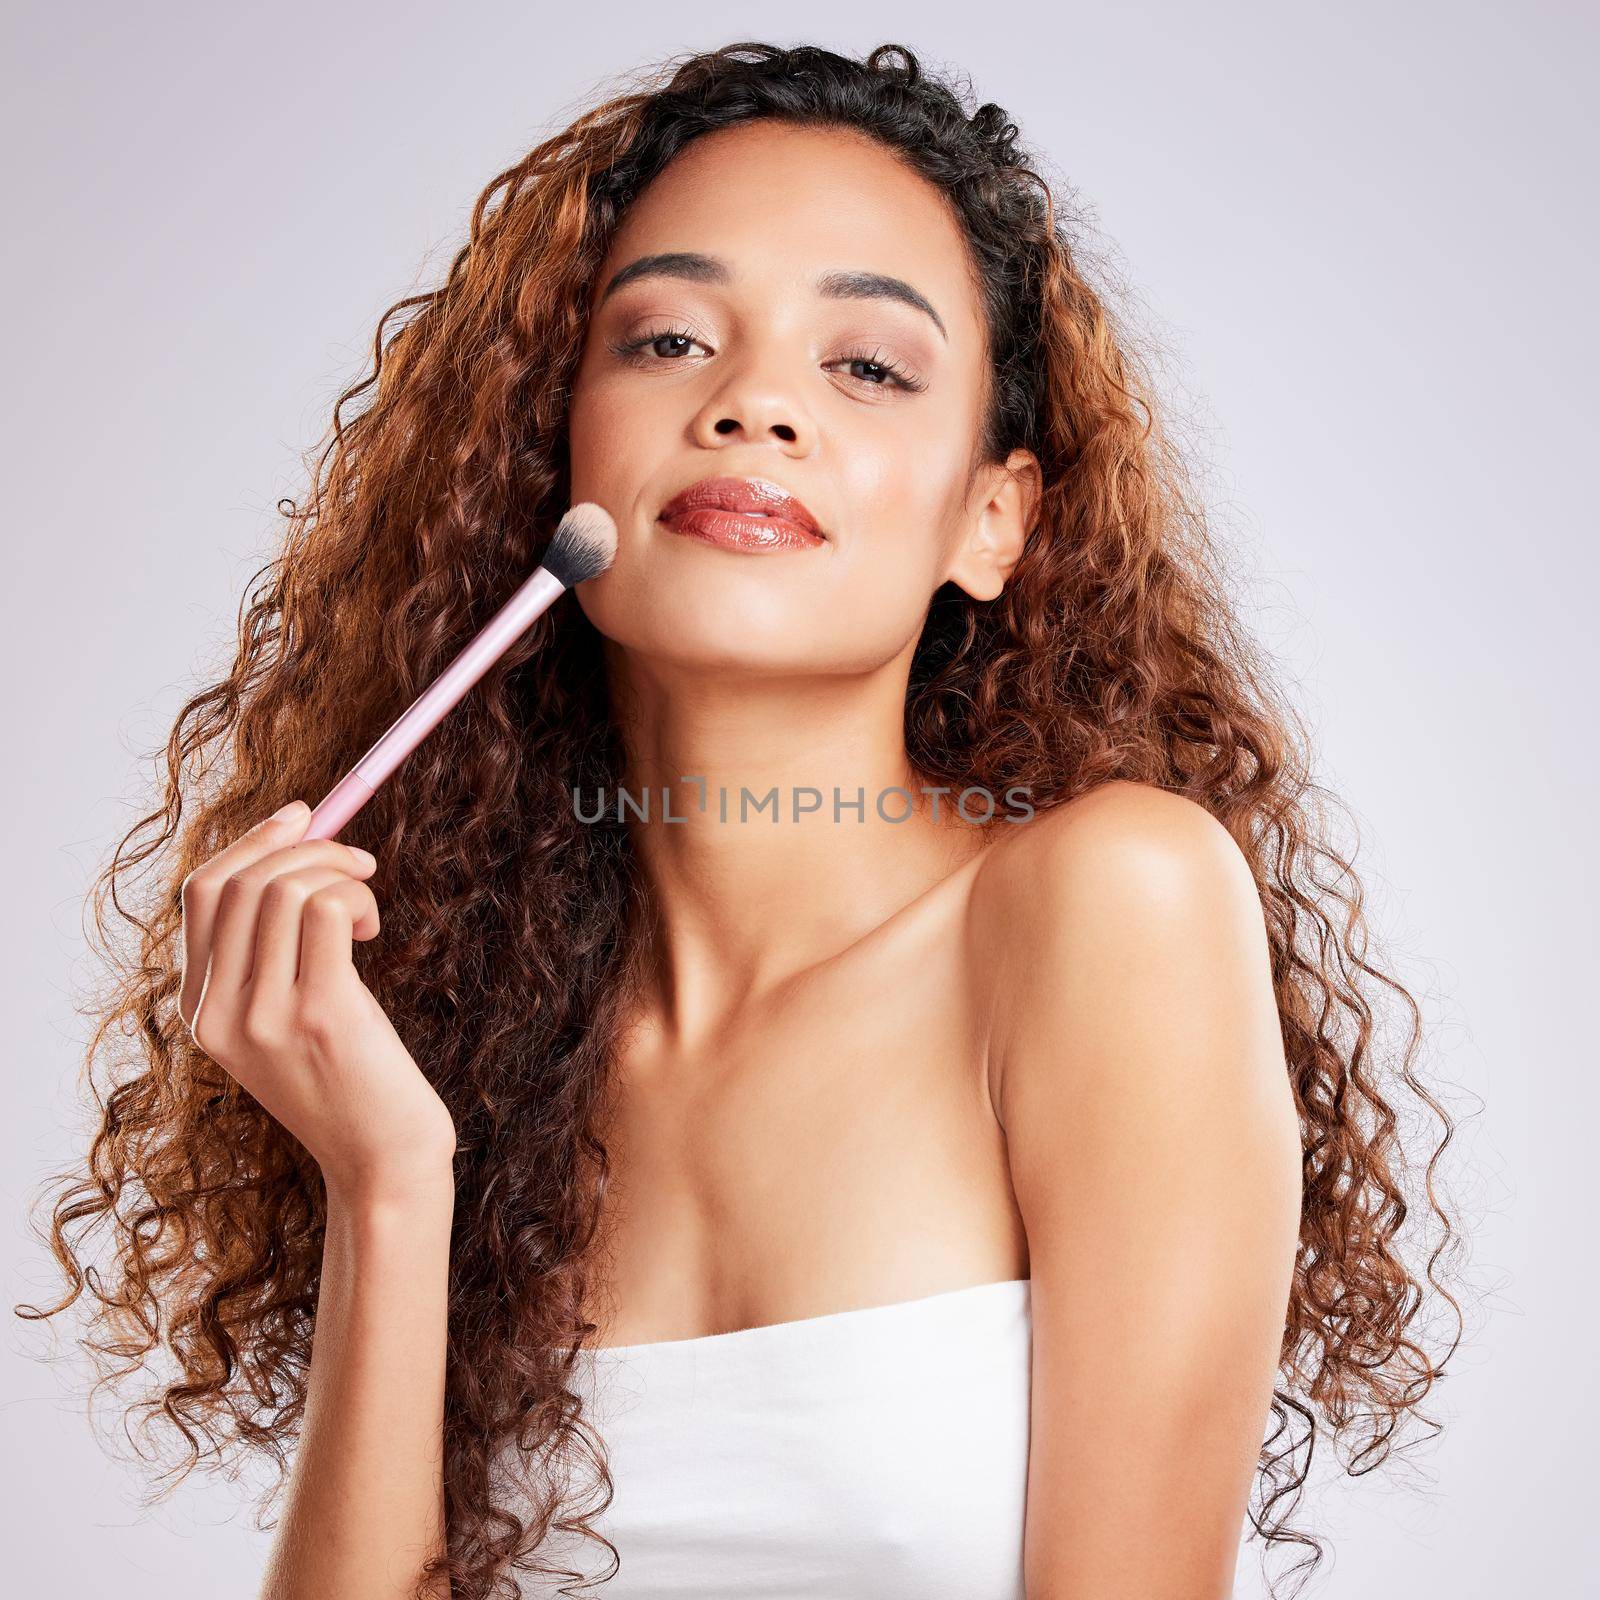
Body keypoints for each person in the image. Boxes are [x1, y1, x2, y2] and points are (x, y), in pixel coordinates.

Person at [17, 40, 1468, 1600]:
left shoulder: (1112, 905)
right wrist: (390, 1185)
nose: (754, 403)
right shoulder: (466, 1033)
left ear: (995, 520)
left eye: (867, 366)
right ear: (554, 454)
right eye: (668, 340)